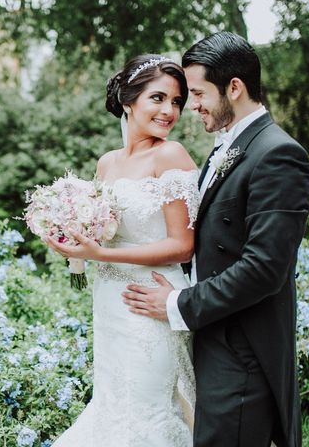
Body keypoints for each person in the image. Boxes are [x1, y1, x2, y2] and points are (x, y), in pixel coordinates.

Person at [122, 32, 309, 447]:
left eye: (198, 93)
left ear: (234, 87)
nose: (191, 106)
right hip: (215, 340)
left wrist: (177, 303)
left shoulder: (279, 155)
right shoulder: (229, 147)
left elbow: (265, 268)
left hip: (244, 352)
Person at [44, 54, 200, 446]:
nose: (170, 111)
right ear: (129, 101)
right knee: (114, 405)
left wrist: (101, 255)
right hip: (109, 303)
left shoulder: (170, 155)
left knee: (147, 410)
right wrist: (70, 242)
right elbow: (104, 233)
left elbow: (182, 245)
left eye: (177, 101)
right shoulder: (107, 164)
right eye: (158, 98)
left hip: (150, 301)